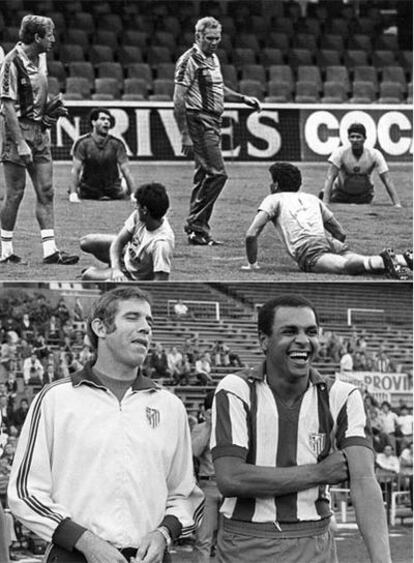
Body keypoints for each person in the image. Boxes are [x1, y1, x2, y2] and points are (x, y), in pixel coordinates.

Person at [8, 287, 204, 563]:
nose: (146, 328)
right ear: (100, 327)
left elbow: (184, 494)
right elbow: (25, 492)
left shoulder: (169, 406)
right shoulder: (54, 399)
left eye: (149, 321)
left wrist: (163, 533)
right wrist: (86, 542)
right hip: (73, 556)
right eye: (133, 317)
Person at [211, 294, 391, 563]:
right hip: (245, 544)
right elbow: (231, 478)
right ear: (264, 340)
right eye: (289, 331)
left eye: (311, 332)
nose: (303, 340)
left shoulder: (343, 395)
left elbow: (364, 480)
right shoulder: (235, 389)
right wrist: (318, 472)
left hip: (315, 544)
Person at [174, 16, 261, 246]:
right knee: (217, 173)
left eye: (217, 38)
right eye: (210, 38)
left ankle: (197, 232)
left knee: (203, 175)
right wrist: (184, 134)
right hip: (199, 120)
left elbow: (219, 88)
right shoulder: (189, 60)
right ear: (198, 37)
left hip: (212, 120)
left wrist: (242, 98)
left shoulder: (212, 59)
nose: (214, 43)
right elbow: (178, 98)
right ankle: (196, 223)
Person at [242, 162, 412, 279]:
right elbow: (339, 232)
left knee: (346, 268)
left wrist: (252, 265)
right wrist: (331, 247)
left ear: (276, 184)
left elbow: (251, 234)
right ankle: (403, 259)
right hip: (328, 241)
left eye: (272, 182)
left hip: (307, 248)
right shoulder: (312, 198)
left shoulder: (273, 198)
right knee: (365, 264)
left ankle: (386, 260)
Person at [0, 15, 79, 265]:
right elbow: (7, 106)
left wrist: (49, 110)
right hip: (17, 132)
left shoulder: (41, 58)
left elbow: (36, 97)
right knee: (15, 193)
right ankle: (5, 249)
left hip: (40, 132)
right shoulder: (11, 62)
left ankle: (50, 251)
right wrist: (21, 142)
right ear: (37, 37)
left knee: (47, 190)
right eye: (50, 35)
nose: (53, 39)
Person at [80, 182, 175, 281]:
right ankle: (110, 269)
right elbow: (119, 242)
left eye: (137, 205)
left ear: (144, 210)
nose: (135, 208)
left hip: (131, 276)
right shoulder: (141, 216)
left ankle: (104, 274)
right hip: (127, 255)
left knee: (87, 275)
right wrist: (116, 269)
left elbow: (161, 282)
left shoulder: (161, 244)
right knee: (85, 242)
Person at [319, 122, 402, 206]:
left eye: (358, 137)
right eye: (352, 137)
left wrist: (397, 204)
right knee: (323, 195)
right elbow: (330, 177)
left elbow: (387, 179)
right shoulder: (340, 152)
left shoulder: (375, 154)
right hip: (341, 194)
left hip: (364, 196)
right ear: (348, 138)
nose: (355, 140)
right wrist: (325, 202)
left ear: (364, 138)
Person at [69, 108, 136, 202]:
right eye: (103, 119)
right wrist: (73, 194)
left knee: (123, 185)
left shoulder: (117, 144)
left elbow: (126, 171)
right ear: (93, 122)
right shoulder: (82, 143)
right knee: (77, 181)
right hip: (88, 191)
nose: (106, 122)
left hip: (114, 191)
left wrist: (133, 194)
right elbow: (76, 170)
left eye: (108, 120)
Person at [191, 390, 222, 563]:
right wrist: (209, 425)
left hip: (227, 486)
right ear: (205, 411)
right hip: (207, 486)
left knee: (227, 540)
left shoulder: (229, 427)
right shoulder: (200, 428)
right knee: (203, 539)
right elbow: (194, 451)